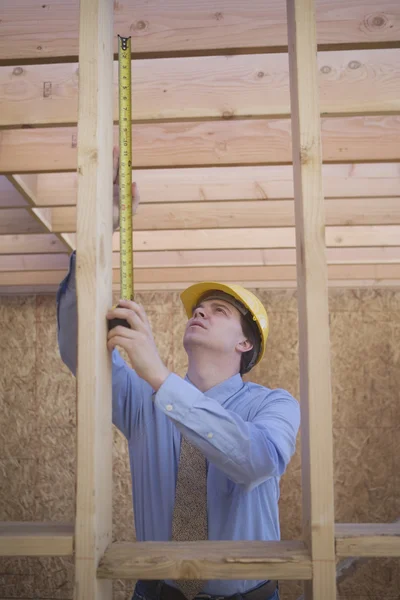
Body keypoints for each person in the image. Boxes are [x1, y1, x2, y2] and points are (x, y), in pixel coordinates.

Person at [56, 150, 300, 600]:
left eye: (219, 310)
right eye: (198, 308)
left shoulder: (274, 405)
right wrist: (96, 233)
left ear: (246, 344)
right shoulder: (144, 399)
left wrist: (160, 377)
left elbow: (256, 461)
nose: (202, 312)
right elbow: (77, 351)